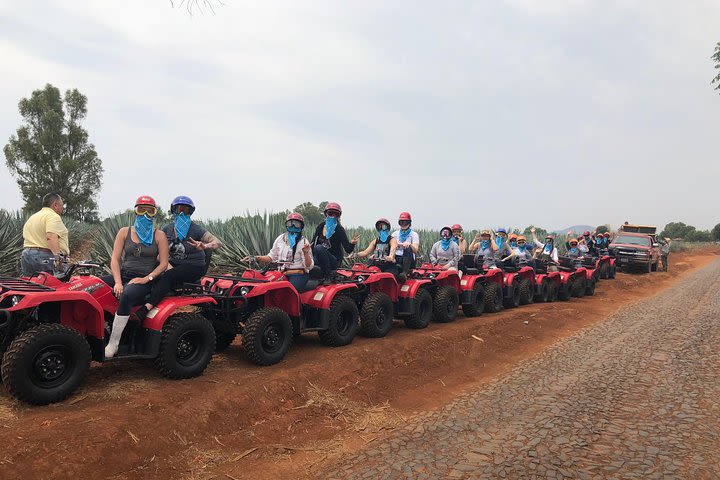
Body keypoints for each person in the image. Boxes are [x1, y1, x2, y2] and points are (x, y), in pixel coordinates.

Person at [133, 196, 223, 320]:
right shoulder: (167, 229)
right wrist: (165, 265)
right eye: (178, 209)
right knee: (151, 267)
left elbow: (217, 242)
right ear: (173, 210)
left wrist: (205, 245)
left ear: (190, 212)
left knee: (169, 276)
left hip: (194, 266)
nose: (181, 212)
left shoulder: (196, 229)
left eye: (185, 210)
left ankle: (146, 308)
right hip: (173, 264)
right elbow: (159, 252)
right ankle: (137, 296)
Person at [102, 196, 169, 358]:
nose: (145, 214)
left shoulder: (159, 236)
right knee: (94, 285)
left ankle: (114, 344)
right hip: (123, 275)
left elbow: (164, 264)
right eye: (141, 210)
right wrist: (118, 281)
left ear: (154, 214)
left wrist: (147, 279)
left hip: (144, 279)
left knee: (127, 294)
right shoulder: (124, 232)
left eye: (150, 210)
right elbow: (115, 259)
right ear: (135, 211)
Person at [253, 213, 314, 291]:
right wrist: (256, 258)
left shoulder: (304, 242)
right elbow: (271, 257)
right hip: (281, 273)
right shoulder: (280, 239)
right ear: (286, 225)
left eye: (296, 224)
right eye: (290, 223)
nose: (293, 226)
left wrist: (305, 253)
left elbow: (309, 266)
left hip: (298, 274)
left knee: (288, 292)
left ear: (301, 226)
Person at [20, 193, 69, 276]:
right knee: (55, 286)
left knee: (32, 286)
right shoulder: (53, 216)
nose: (62, 207)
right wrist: (58, 259)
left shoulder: (33, 217)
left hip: (27, 256)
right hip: (45, 257)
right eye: (62, 205)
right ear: (55, 205)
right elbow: (51, 236)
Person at [311, 202, 359, 276]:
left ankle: (329, 275)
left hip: (333, 260)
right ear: (326, 214)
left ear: (338, 216)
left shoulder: (339, 229)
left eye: (336, 214)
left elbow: (348, 249)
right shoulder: (321, 226)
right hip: (319, 258)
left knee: (319, 248)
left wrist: (352, 243)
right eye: (330, 213)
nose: (333, 216)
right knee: (309, 262)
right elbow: (313, 243)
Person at [392, 212, 420, 280]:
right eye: (401, 222)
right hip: (397, 258)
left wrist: (409, 244)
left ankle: (405, 272)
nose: (403, 224)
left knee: (408, 248)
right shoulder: (395, 234)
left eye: (406, 222)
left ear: (409, 223)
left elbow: (416, 250)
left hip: (409, 260)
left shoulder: (414, 234)